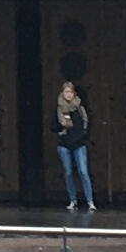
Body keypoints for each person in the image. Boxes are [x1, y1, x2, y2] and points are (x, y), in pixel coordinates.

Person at [54, 81, 95, 211]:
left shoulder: (79, 107)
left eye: (71, 92)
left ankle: (90, 201)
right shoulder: (58, 108)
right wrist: (61, 125)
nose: (69, 94)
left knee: (83, 171)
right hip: (64, 144)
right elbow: (52, 126)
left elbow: (86, 122)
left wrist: (83, 135)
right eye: (66, 92)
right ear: (62, 93)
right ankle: (73, 200)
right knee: (68, 172)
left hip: (79, 144)